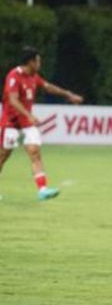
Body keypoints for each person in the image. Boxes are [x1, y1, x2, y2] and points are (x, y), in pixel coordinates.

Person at [0, 46, 83, 200]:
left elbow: (48, 87)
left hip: (27, 122)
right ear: (30, 62)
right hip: (10, 122)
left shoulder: (34, 76)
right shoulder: (14, 76)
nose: (40, 63)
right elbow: (12, 99)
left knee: (35, 152)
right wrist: (28, 114)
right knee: (3, 155)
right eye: (38, 61)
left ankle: (42, 189)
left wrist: (68, 94)